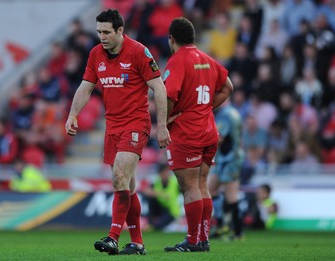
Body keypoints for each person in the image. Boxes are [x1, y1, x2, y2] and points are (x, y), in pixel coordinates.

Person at [64, 9, 171, 255]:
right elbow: (85, 87)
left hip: (135, 123)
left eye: (106, 32)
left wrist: (162, 126)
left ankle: (113, 237)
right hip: (112, 127)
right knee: (127, 186)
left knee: (118, 178)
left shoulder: (138, 52)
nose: (101, 36)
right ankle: (137, 243)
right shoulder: (95, 54)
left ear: (120, 31)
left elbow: (159, 88)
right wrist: (72, 114)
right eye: (99, 31)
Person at [163, 17, 233, 252]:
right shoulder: (207, 59)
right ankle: (202, 239)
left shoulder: (177, 61)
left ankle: (193, 240)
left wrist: (164, 122)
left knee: (190, 186)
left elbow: (169, 95)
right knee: (201, 185)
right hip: (209, 131)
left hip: (187, 133)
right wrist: (205, 108)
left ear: (171, 38)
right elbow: (228, 87)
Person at [208, 98, 245, 241]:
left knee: (231, 196)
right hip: (223, 158)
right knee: (211, 189)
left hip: (231, 159)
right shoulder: (230, 113)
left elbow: (219, 138)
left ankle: (238, 232)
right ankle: (221, 225)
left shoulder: (227, 114)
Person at [142, 163, 181, 231]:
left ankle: (152, 227)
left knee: (159, 226)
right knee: (150, 199)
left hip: (171, 211)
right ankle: (150, 224)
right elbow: (146, 191)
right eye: (164, 172)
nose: (166, 174)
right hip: (161, 207)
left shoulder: (175, 182)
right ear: (160, 173)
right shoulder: (157, 182)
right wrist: (161, 194)